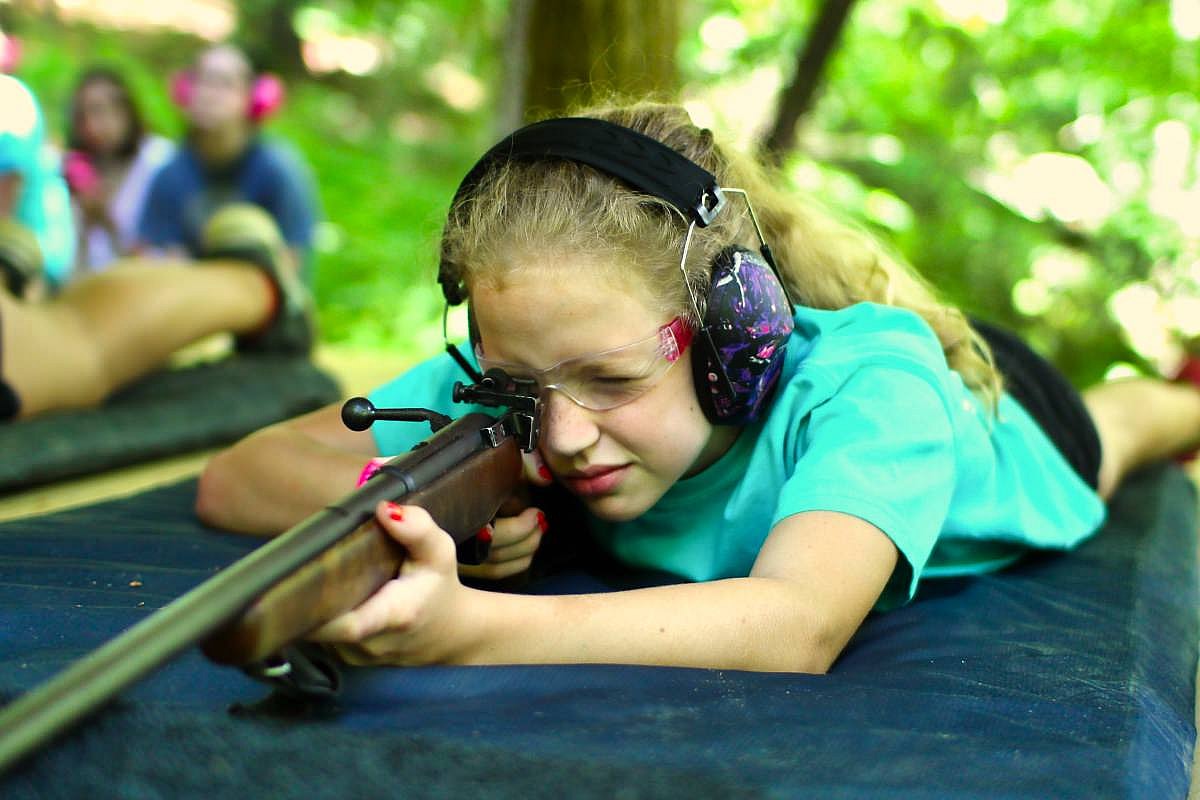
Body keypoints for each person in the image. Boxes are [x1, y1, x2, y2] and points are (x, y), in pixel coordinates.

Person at [195, 101, 1200, 674]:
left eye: (613, 379)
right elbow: (237, 477)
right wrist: (423, 506)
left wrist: (473, 628)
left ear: (739, 333)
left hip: (1013, 426)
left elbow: (795, 624)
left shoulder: (871, 386)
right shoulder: (538, 370)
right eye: (517, 382)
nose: (562, 433)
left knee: (1135, 421)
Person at [0, 74, 312, 422]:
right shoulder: (172, 170)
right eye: (86, 113)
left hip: (128, 295)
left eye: (224, 84)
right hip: (102, 290)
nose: (95, 124)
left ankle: (259, 283)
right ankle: (254, 282)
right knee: (76, 341)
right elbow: (145, 250)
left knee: (73, 339)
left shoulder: (269, 165)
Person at [137, 43, 318, 281]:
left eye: (225, 84)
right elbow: (153, 255)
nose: (209, 93)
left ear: (254, 99)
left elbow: (292, 266)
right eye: (202, 81)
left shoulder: (281, 170)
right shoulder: (171, 172)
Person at [64, 66, 175, 273]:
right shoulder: (81, 169)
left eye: (99, 111)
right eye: (82, 117)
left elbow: (158, 264)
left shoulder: (159, 160)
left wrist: (106, 222)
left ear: (125, 110)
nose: (92, 127)